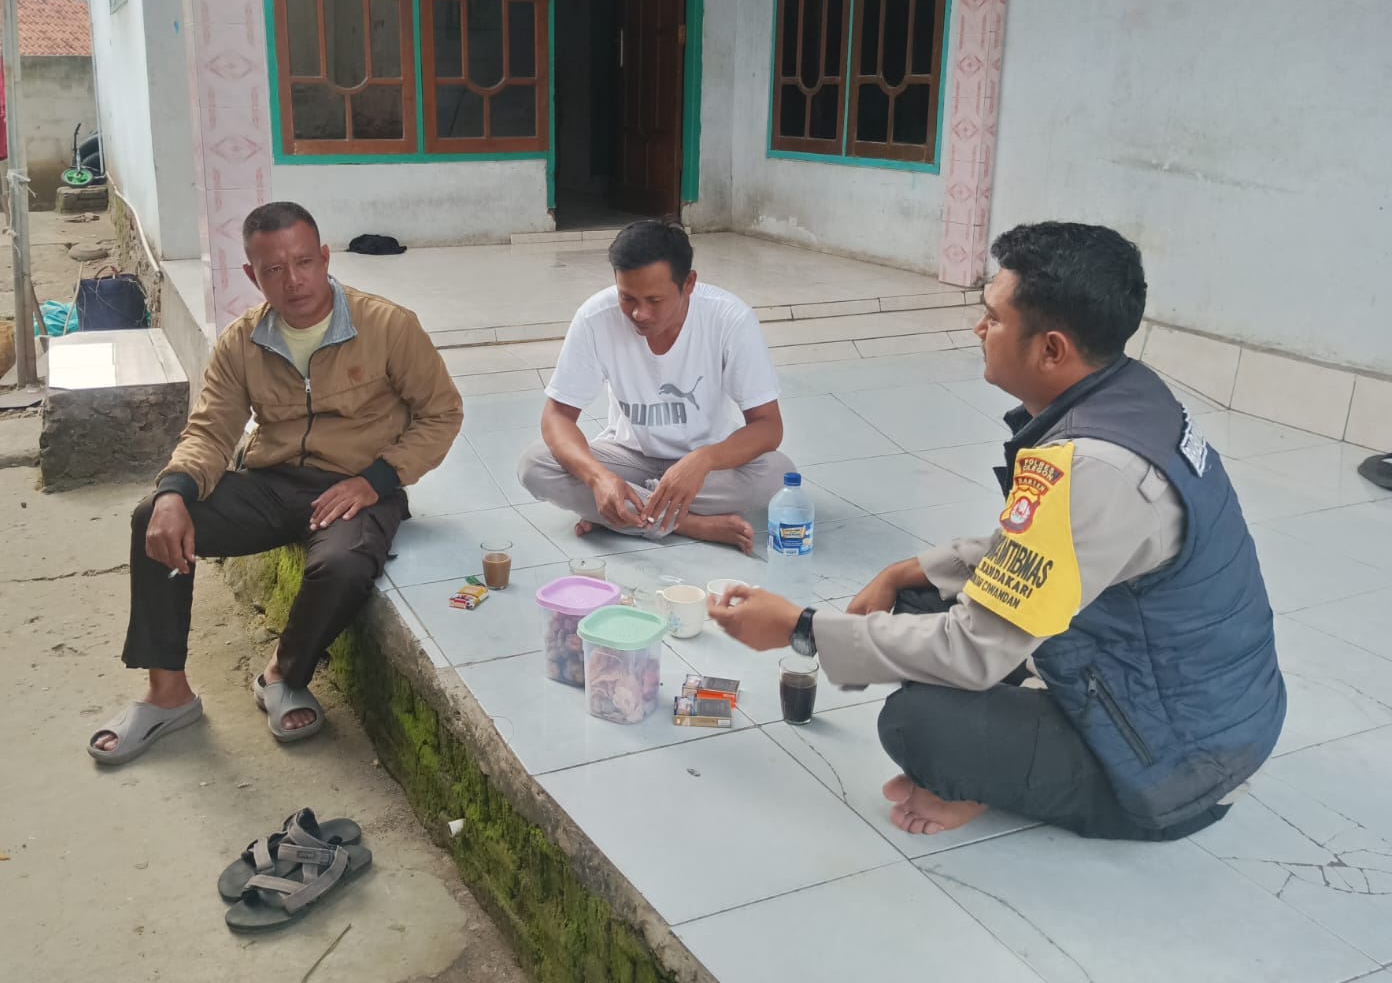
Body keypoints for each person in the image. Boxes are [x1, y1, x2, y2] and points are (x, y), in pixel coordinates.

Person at [712, 222, 1286, 841]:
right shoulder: (1128, 394)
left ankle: (982, 784)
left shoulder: (1095, 470)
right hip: (1165, 687)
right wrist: (904, 571)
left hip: (1180, 764)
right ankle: (1010, 745)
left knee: (920, 724)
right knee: (917, 595)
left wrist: (799, 628)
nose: (977, 329)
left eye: (993, 317)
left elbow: (973, 649)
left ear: (1052, 350)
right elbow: (1035, 547)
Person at [88, 202, 462, 764]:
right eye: (275, 269)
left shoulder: (389, 326)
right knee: (154, 518)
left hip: (355, 488)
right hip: (272, 482)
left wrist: (376, 480)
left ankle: (282, 675)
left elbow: (442, 413)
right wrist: (173, 492)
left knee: (344, 565)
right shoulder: (241, 342)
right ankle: (168, 694)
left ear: (325, 258)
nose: (294, 281)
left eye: (305, 262)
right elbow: (210, 431)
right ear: (252, 274)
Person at [517, 220, 793, 555]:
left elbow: (768, 426)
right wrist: (599, 479)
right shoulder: (595, 317)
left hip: (707, 465)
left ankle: (619, 513)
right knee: (535, 464)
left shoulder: (730, 320)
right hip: (628, 457)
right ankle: (689, 523)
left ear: (689, 283)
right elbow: (557, 416)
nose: (639, 313)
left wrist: (703, 460)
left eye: (655, 300)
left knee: (777, 473)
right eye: (627, 297)